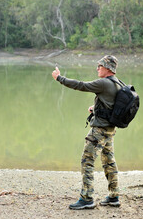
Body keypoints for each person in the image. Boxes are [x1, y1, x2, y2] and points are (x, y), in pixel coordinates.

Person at [51, 55, 121, 210]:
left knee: (87, 161)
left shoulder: (103, 83)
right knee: (109, 161)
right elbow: (111, 106)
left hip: (99, 131)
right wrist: (95, 108)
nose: (97, 68)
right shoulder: (118, 83)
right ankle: (114, 195)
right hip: (110, 129)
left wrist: (59, 78)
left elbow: (80, 85)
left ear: (108, 68)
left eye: (100, 66)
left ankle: (87, 198)